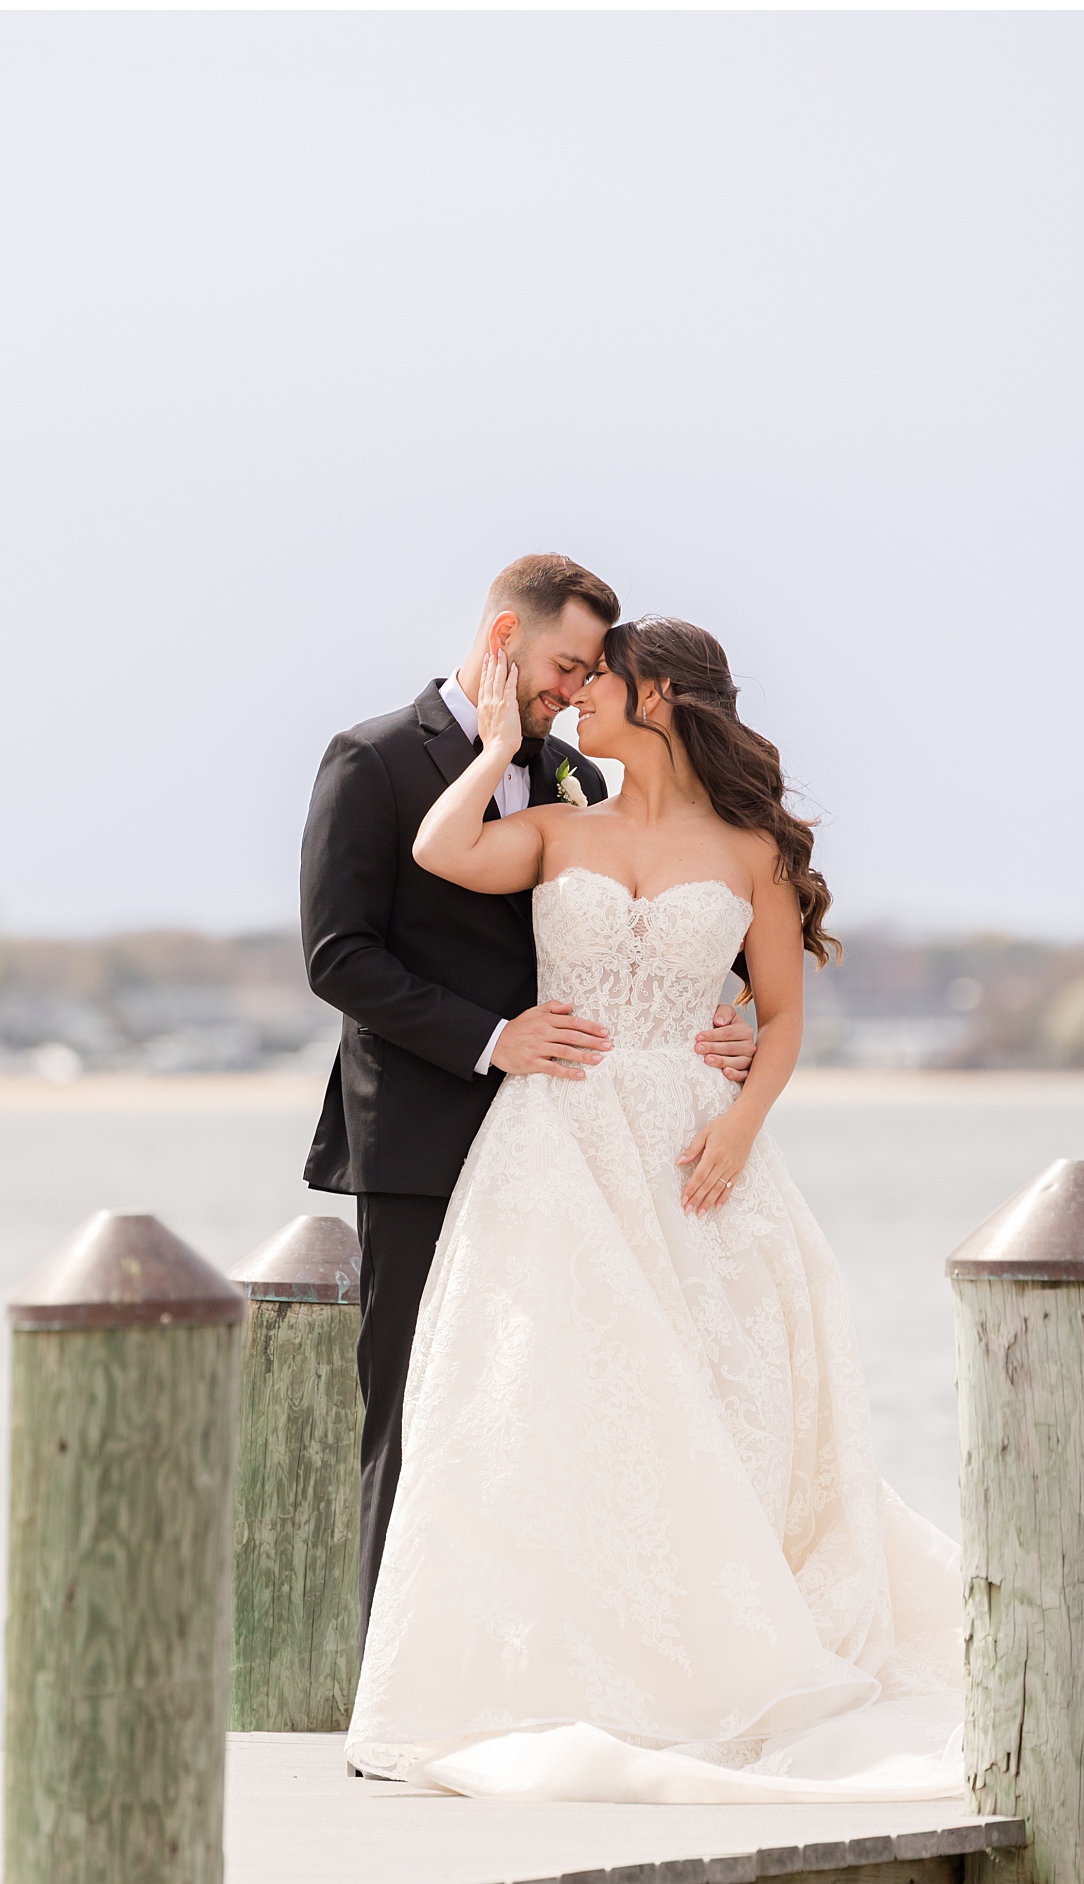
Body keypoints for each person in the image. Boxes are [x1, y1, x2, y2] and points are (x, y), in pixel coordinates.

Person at [344, 613, 969, 1803]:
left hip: (691, 1147)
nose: (574, 699)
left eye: (598, 682)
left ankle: (716, 1656)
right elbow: (435, 851)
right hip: (556, 1143)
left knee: (711, 1393)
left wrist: (739, 1122)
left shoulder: (749, 852)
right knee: (553, 1399)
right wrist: (486, 748)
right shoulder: (552, 822)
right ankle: (565, 1660)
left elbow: (778, 1016)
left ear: (662, 696)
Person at [300, 559, 757, 1642]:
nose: (574, 687)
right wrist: (489, 1040)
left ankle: (540, 1655)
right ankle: (392, 1683)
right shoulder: (368, 758)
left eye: (590, 672)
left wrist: (724, 1007)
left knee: (550, 1406)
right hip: (418, 1135)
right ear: (505, 636)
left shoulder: (572, 775)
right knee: (412, 1408)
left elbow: (628, 914)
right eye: (564, 664)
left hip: (565, 1142)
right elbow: (336, 956)